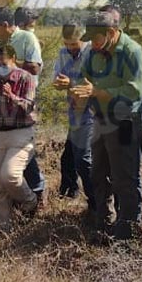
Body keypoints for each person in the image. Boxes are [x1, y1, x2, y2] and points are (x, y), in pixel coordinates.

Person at [75, 11, 142, 241]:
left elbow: (133, 91)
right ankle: (104, 220)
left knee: (125, 177)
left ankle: (128, 231)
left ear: (111, 33)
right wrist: (72, 86)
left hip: (126, 121)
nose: (93, 44)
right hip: (101, 120)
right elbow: (83, 78)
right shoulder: (94, 52)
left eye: (96, 38)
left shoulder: (132, 51)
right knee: (98, 173)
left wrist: (98, 92)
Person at [0, 42, 39, 232]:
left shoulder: (25, 78)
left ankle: (30, 201)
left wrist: (12, 97)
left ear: (12, 59)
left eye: (2, 63)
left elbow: (30, 106)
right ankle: (5, 229)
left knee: (10, 175)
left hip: (20, 133)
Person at [0, 7, 46, 201]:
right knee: (2, 153)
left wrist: (10, 64)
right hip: (0, 103)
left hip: (22, 100)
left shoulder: (27, 39)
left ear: (5, 25)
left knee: (23, 151)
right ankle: (8, 198)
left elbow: (35, 67)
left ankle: (36, 193)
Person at [52, 24, 96, 208]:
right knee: (69, 157)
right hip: (74, 113)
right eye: (67, 44)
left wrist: (70, 83)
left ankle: (96, 201)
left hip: (92, 112)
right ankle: (70, 192)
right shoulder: (63, 53)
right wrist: (60, 84)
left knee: (84, 160)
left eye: (74, 44)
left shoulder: (93, 53)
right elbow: (57, 77)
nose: (70, 48)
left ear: (83, 39)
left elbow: (94, 84)